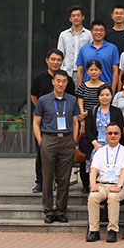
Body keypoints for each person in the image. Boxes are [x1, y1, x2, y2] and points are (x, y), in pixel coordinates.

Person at [33, 71, 81, 224]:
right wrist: (41, 141)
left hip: (66, 140)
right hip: (49, 139)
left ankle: (61, 210)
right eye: (58, 81)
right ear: (53, 82)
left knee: (64, 178)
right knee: (48, 177)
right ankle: (48, 210)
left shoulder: (72, 100)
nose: (61, 84)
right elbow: (36, 123)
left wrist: (74, 140)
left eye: (64, 81)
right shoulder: (43, 100)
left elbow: (75, 122)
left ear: (67, 83)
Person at [30, 49, 75, 193]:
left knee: (61, 156)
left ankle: (59, 181)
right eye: (53, 59)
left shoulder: (67, 80)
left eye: (59, 60)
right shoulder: (39, 78)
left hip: (63, 123)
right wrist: (44, 110)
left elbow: (72, 100)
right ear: (47, 60)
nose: (56, 62)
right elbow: (33, 96)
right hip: (46, 121)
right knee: (41, 152)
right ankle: (41, 181)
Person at [85, 123, 124, 242]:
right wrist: (93, 185)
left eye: (116, 133)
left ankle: (112, 231)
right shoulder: (99, 152)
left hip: (119, 185)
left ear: (120, 135)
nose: (113, 135)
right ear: (105, 135)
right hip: (101, 185)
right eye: (110, 133)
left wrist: (119, 186)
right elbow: (93, 170)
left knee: (113, 197)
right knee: (93, 197)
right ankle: (94, 231)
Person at [81, 84, 124, 193]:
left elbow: (119, 128)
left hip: (112, 144)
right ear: (98, 97)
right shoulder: (92, 111)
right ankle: (92, 187)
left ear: (111, 96)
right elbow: (88, 130)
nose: (104, 97)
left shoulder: (117, 111)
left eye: (107, 95)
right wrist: (95, 144)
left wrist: (112, 143)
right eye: (102, 95)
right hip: (96, 144)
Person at [75, 20, 120, 90]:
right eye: (96, 30)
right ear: (91, 32)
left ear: (105, 32)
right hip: (87, 89)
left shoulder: (112, 48)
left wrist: (112, 90)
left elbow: (115, 70)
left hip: (106, 89)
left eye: (101, 30)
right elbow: (80, 71)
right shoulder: (84, 49)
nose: (98, 32)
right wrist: (80, 90)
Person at [58, 5, 92, 78]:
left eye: (78, 15)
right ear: (70, 19)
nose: (76, 18)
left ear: (83, 17)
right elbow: (60, 53)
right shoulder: (63, 35)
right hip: (67, 72)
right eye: (73, 16)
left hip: (84, 72)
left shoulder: (89, 34)